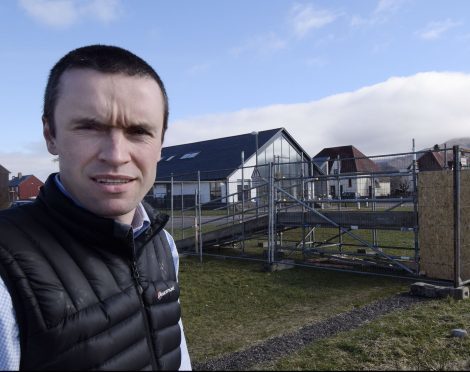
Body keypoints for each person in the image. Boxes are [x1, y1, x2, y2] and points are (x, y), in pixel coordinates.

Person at [0, 45, 191, 370]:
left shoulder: (162, 245)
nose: (116, 155)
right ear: (50, 134)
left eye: (139, 131)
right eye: (90, 127)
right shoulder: (6, 275)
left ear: (160, 143)